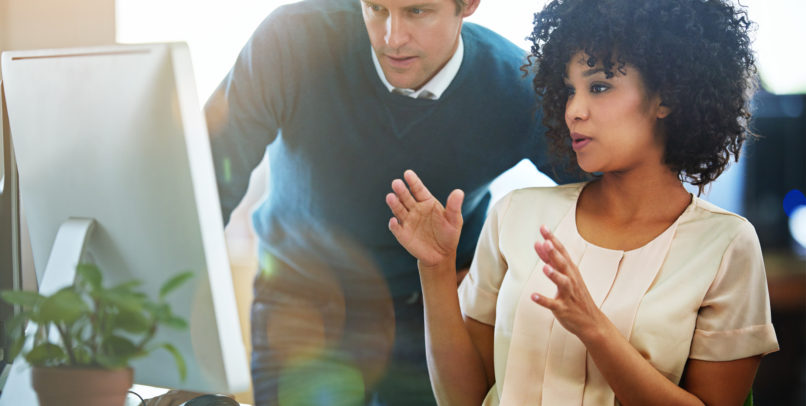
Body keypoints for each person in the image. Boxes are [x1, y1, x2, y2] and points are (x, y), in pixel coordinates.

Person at [385, 0, 780, 404]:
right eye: (570, 90)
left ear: (668, 97)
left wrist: (594, 329)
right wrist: (436, 271)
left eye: (599, 87)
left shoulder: (725, 245)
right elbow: (463, 399)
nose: (574, 110)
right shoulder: (516, 215)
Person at [203, 0, 571, 404]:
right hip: (301, 301)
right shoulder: (292, 40)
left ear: (467, 5)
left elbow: (612, 186)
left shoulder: (519, 86)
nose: (391, 38)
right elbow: (206, 179)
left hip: (430, 311)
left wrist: (506, 275)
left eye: (417, 11)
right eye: (376, 7)